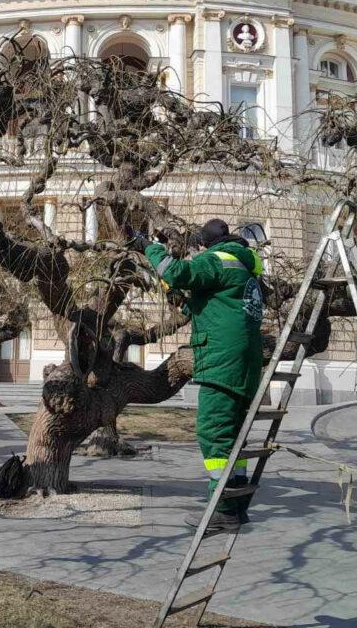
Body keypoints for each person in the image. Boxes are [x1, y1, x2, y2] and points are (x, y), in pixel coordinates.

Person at [140, 219, 264, 533]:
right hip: (245, 363)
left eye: (195, 248)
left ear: (204, 245)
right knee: (234, 437)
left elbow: (178, 272)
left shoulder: (216, 260)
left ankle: (221, 509)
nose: (194, 254)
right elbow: (203, 297)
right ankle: (235, 506)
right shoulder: (243, 266)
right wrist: (177, 293)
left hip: (222, 360)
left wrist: (148, 248)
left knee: (213, 432)